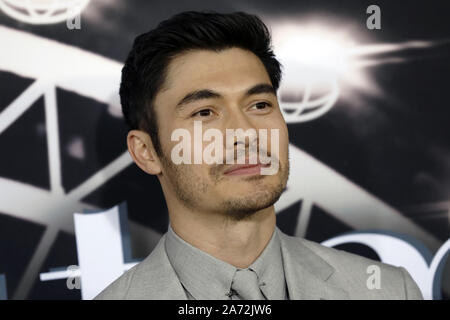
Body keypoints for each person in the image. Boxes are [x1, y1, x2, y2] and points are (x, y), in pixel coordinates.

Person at [95, 11, 423, 300]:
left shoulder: (388, 291)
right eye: (205, 112)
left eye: (260, 105)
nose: (247, 133)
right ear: (146, 151)